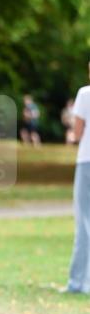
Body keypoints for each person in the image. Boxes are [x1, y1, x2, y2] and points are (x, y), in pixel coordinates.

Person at [64, 62, 90, 294]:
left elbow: (78, 132)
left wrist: (71, 135)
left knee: (84, 222)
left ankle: (78, 283)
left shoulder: (85, 93)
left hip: (87, 161)